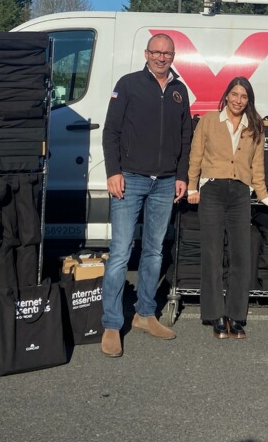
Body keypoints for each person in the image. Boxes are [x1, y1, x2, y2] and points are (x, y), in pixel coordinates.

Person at [100, 33, 192, 358]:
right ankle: (112, 323)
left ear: (173, 55)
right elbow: (110, 132)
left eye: (167, 53)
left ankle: (144, 314)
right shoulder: (128, 84)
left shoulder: (180, 91)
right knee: (121, 253)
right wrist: (113, 171)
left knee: (154, 252)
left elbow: (186, 138)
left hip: (165, 182)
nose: (161, 57)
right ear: (146, 53)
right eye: (156, 52)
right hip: (131, 179)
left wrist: (182, 176)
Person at [187, 77, 268, 340]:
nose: (239, 100)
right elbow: (196, 155)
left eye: (244, 96)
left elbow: (257, 165)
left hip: (240, 193)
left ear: (249, 100)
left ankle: (236, 316)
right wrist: (192, 187)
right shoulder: (208, 121)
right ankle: (215, 314)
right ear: (226, 95)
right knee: (213, 255)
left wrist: (263, 195)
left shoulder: (255, 127)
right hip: (213, 190)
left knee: (241, 256)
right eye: (235, 94)